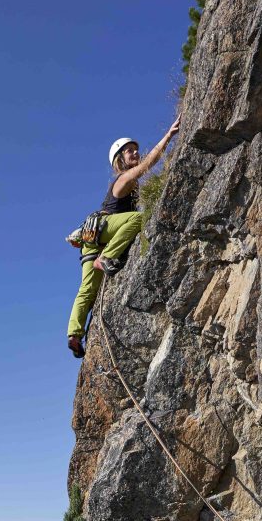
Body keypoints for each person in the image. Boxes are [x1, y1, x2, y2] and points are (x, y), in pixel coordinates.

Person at [67, 120, 178, 358]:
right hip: (103, 231)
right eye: (130, 150)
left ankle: (74, 334)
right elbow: (149, 163)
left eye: (136, 148)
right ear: (120, 158)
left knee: (88, 288)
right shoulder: (123, 179)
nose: (136, 152)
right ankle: (105, 258)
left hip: (93, 237)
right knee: (137, 219)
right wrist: (168, 136)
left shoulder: (126, 183)